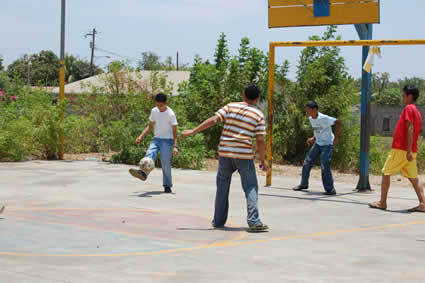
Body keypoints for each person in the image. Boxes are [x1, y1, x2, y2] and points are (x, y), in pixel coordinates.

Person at [181, 83, 269, 231]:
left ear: (243, 94)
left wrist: (193, 131)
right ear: (258, 98)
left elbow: (214, 120)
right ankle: (254, 221)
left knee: (222, 187)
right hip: (244, 155)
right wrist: (263, 160)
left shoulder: (230, 107)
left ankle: (218, 221)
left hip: (225, 153)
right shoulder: (258, 115)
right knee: (250, 186)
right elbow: (260, 140)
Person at [369, 85, 425, 212]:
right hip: (410, 150)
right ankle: (423, 203)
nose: (402, 98)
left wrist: (408, 150)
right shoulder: (416, 111)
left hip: (402, 149)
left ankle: (382, 202)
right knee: (414, 178)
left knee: (386, 172)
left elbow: (410, 128)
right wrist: (411, 150)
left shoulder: (409, 108)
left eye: (404, 95)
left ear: (409, 96)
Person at [129, 93, 179, 193]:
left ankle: (167, 185)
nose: (159, 107)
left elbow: (174, 132)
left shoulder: (171, 114)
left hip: (167, 141)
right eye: (157, 105)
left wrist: (175, 146)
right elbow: (150, 126)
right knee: (149, 154)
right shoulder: (154, 111)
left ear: (166, 103)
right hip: (156, 139)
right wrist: (141, 136)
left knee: (165, 163)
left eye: (161, 105)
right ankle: (143, 173)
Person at [292, 101, 342, 195]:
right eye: (306, 110)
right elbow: (317, 129)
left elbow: (338, 123)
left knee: (324, 166)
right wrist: (313, 138)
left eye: (308, 110)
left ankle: (330, 190)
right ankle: (303, 184)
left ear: (314, 109)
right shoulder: (311, 118)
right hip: (318, 144)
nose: (306, 112)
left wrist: (336, 138)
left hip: (327, 144)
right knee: (307, 162)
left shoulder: (324, 118)